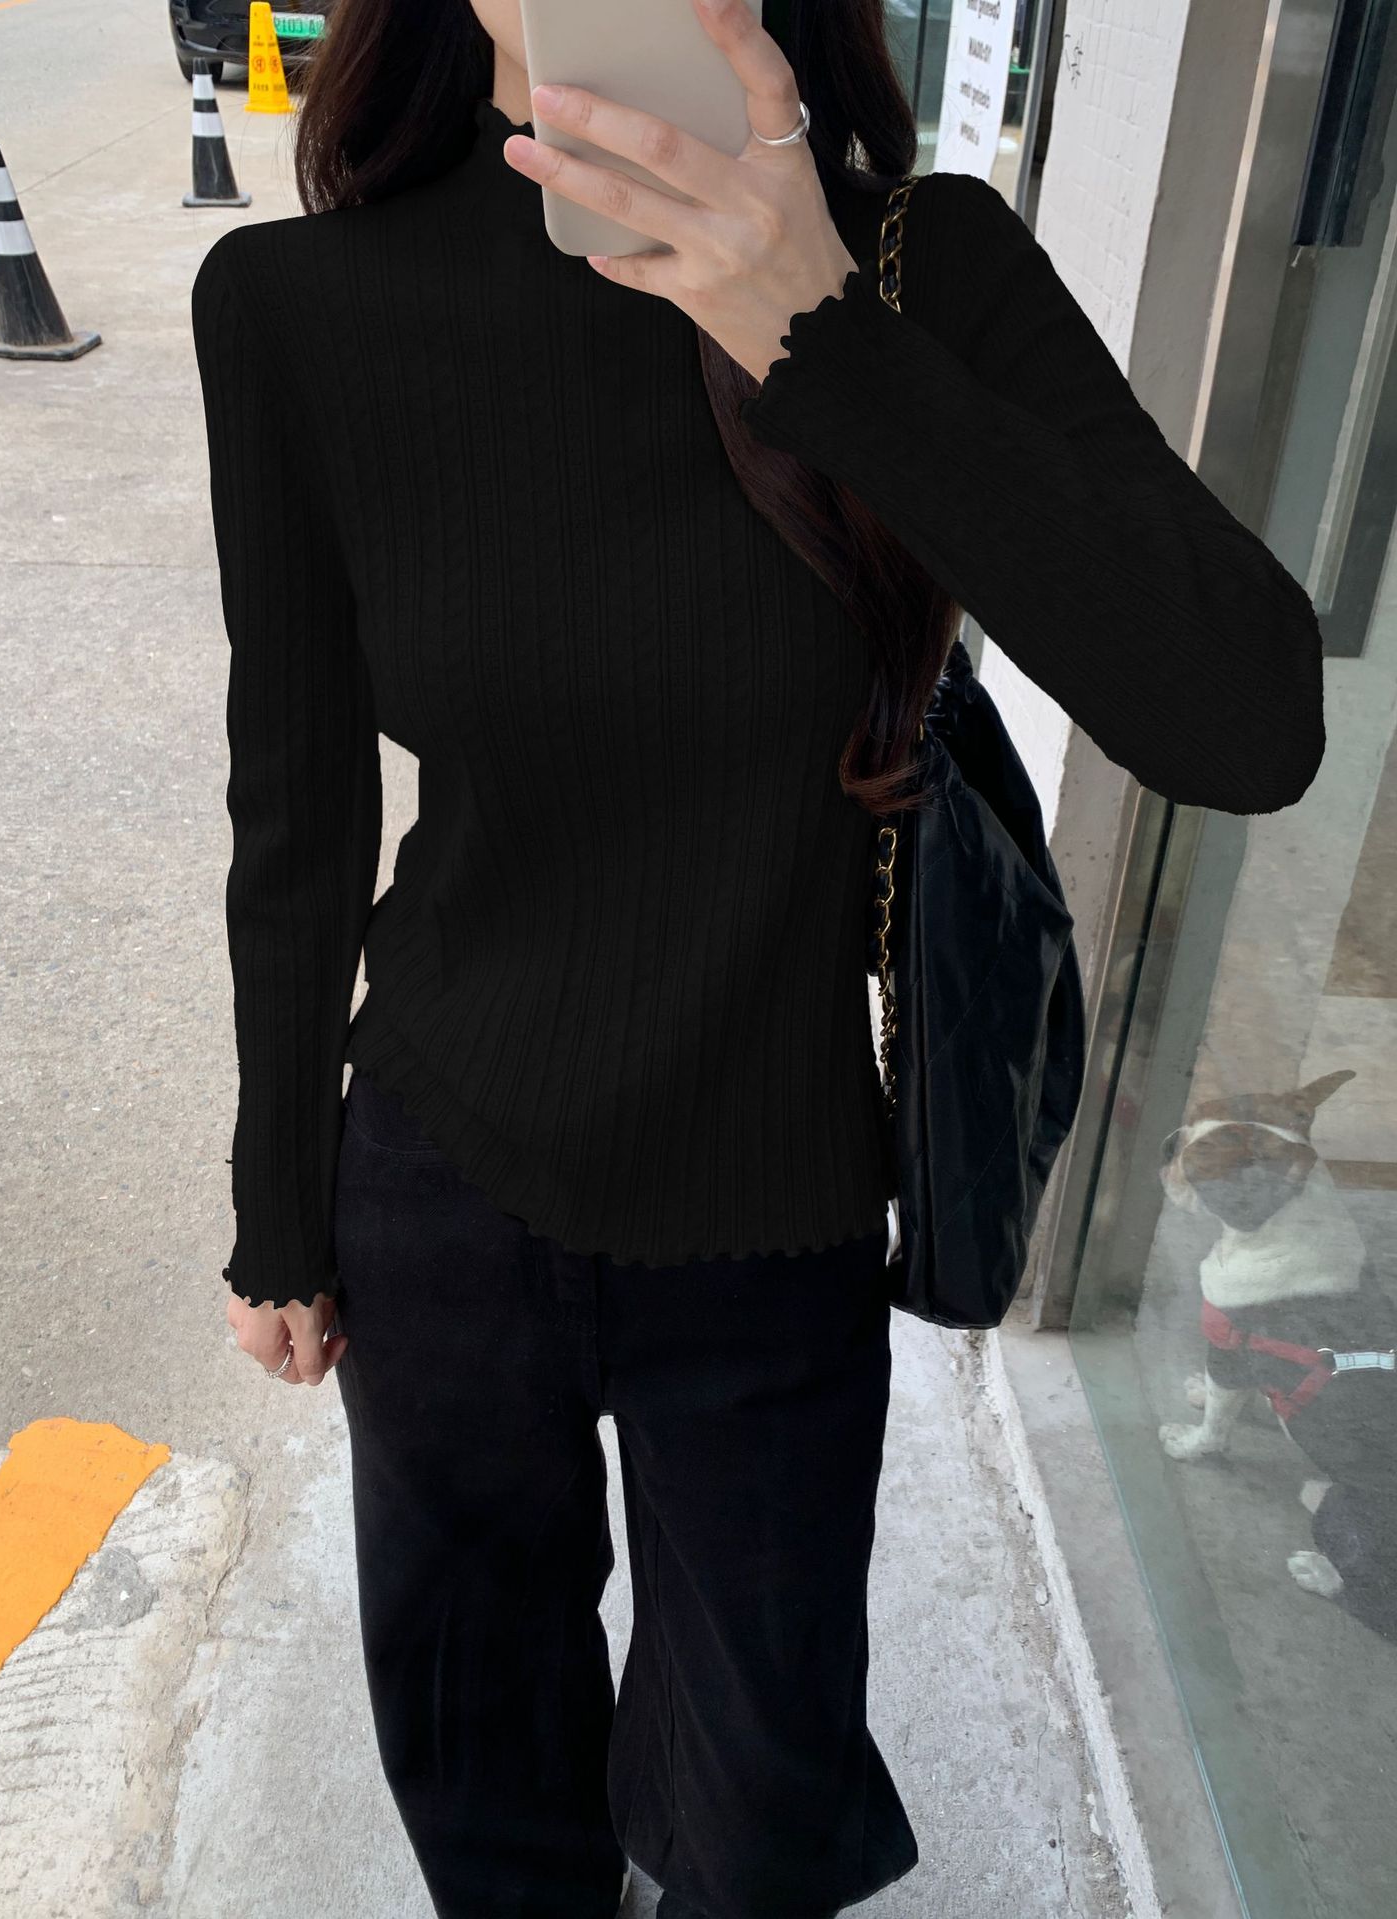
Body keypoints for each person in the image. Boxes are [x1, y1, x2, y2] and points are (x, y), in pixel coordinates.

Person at [189, 1, 1327, 1914]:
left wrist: (819, 332)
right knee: (481, 1756)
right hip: (447, 1179)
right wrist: (274, 1212)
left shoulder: (922, 267)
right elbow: (295, 806)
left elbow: (1250, 722)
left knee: (758, 1802)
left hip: (773, 1200)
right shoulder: (295, 306)